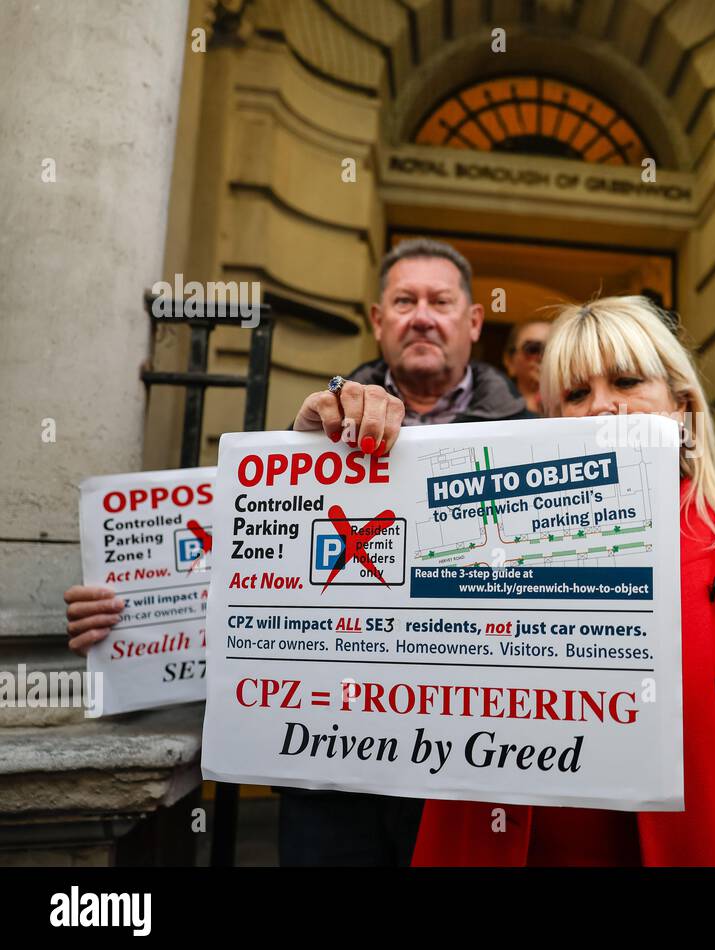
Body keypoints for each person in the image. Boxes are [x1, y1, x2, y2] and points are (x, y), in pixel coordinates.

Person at [345, 295, 715, 865]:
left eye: (626, 381)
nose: (602, 407)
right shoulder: (483, 540)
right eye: (576, 394)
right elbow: (362, 645)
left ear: (681, 409)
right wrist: (317, 463)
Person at [64, 237, 530, 865]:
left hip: (475, 774)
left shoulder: (539, 441)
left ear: (473, 321)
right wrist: (131, 612)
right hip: (328, 769)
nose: (422, 316)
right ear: (377, 320)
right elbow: (246, 564)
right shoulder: (310, 434)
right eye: (404, 301)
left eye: (440, 301)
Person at [501, 320, 551, 414]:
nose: (544, 356)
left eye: (552, 349)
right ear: (509, 360)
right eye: (533, 348)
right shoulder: (495, 407)